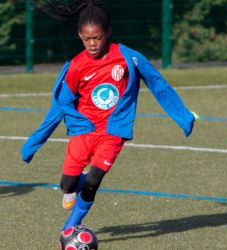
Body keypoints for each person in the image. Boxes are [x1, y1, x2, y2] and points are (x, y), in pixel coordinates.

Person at [21, 0, 195, 231]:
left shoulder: (129, 58)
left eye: (98, 37)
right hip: (83, 130)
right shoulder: (76, 66)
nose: (92, 44)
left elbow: (157, 84)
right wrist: (33, 143)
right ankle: (73, 186)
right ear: (80, 36)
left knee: (93, 181)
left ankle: (71, 227)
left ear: (108, 32)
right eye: (86, 39)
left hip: (113, 131)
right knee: (68, 185)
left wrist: (183, 116)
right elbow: (60, 105)